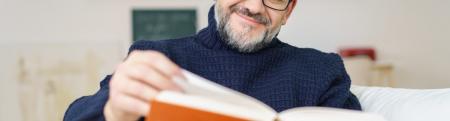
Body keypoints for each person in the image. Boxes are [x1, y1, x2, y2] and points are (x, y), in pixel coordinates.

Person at [64, 0, 361, 120]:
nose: (255, 6)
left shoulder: (321, 71)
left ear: (289, 10)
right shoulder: (157, 56)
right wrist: (115, 110)